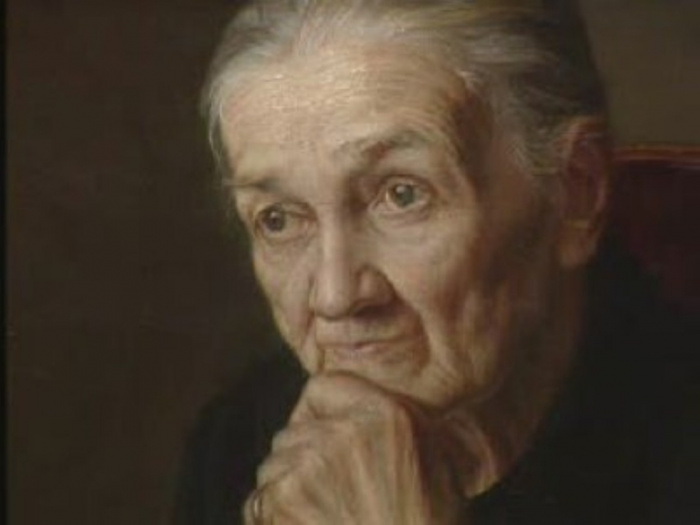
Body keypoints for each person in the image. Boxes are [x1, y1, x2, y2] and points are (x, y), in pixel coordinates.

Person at [175, 1, 699, 523]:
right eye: (278, 219)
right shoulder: (235, 445)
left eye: (402, 195)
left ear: (575, 193)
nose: (335, 297)